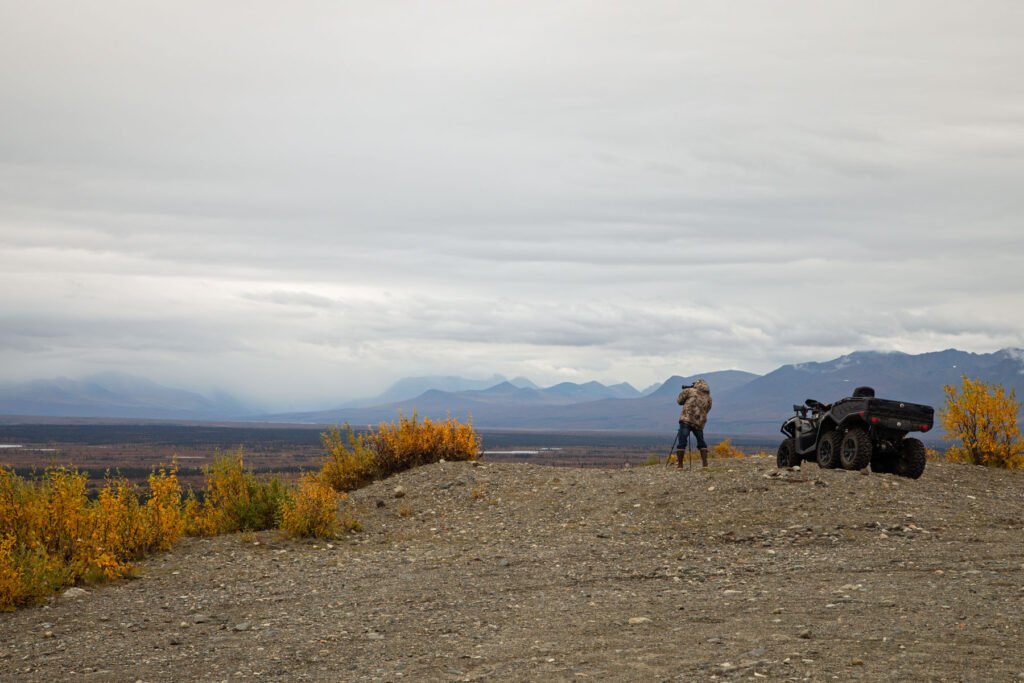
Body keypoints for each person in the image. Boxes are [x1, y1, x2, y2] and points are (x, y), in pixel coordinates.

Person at [676, 378, 712, 468]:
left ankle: (680, 465)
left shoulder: (690, 391)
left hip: (686, 419)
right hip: (699, 422)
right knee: (701, 441)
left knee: (682, 441)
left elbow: (679, 401)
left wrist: (685, 392)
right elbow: (708, 409)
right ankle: (705, 464)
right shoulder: (709, 397)